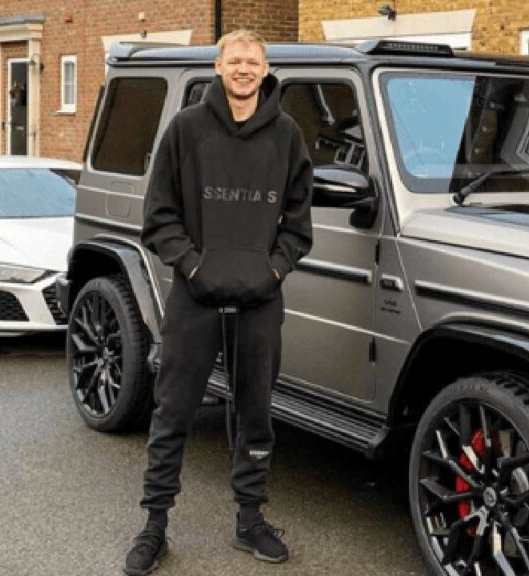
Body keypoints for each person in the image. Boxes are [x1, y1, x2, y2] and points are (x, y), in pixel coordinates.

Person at [123, 29, 313, 576]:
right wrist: (195, 266)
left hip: (260, 301)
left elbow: (299, 225)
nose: (244, 69)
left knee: (256, 412)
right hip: (195, 297)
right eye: (235, 60)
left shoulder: (288, 135)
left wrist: (273, 270)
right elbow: (158, 216)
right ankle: (154, 524)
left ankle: (250, 520)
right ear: (218, 65)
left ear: (266, 67)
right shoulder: (185, 130)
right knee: (174, 410)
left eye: (253, 61)